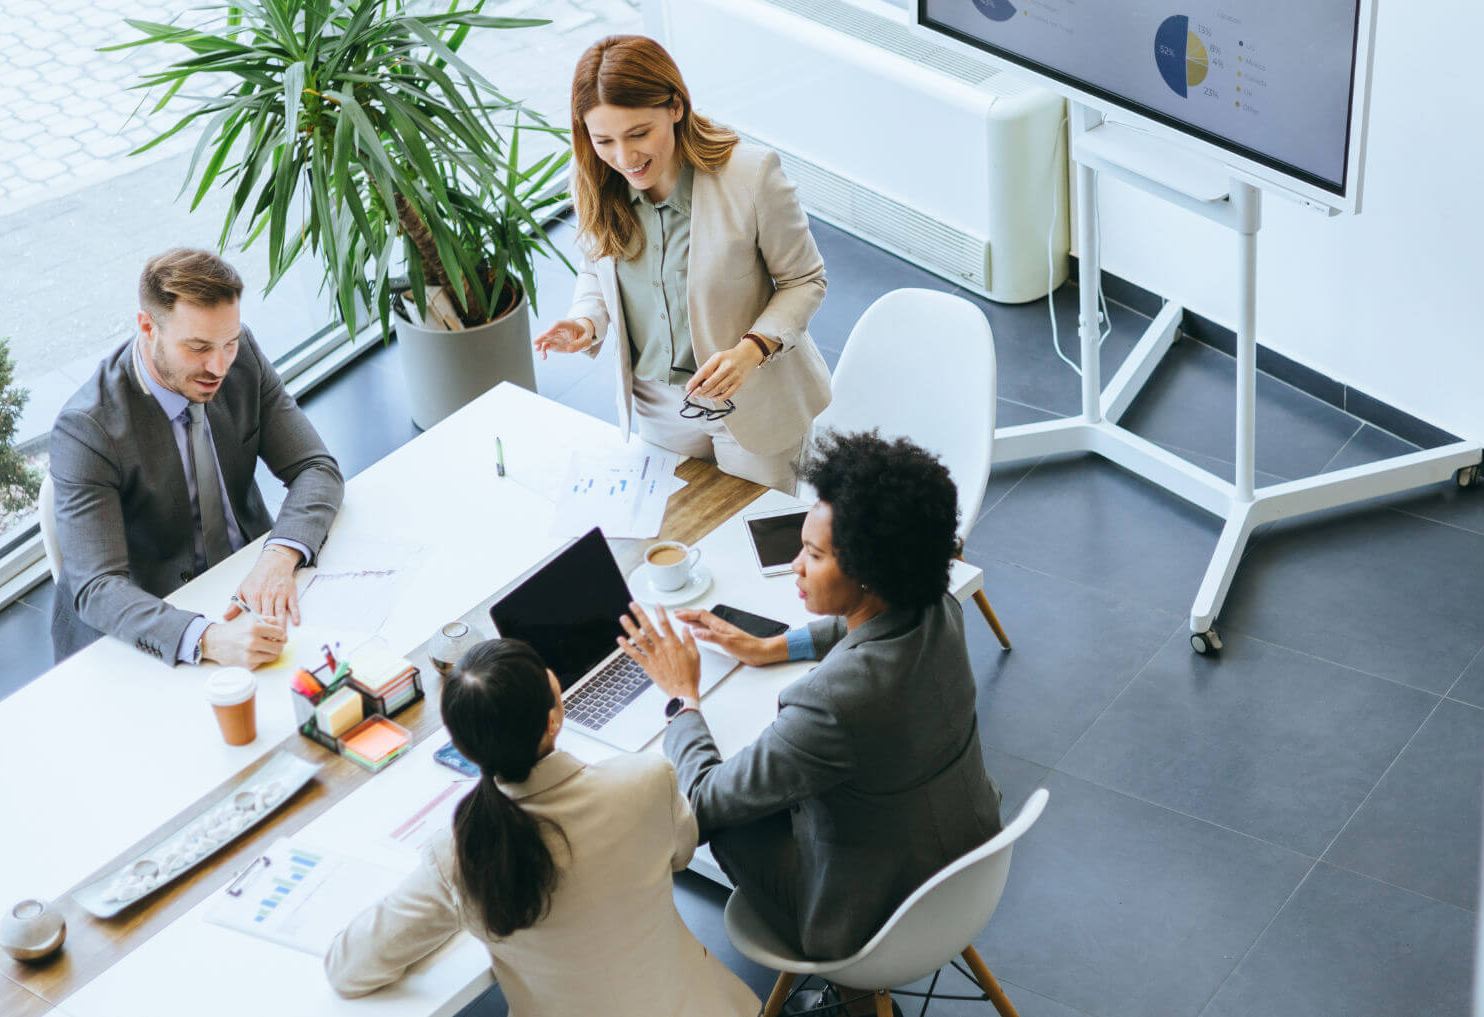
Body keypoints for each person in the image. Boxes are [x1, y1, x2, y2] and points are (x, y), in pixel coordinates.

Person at [621, 431, 1004, 973]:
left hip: (866, 918)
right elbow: (867, 631)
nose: (796, 566)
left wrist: (682, 696)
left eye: (814, 554)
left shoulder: (831, 704)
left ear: (870, 572)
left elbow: (705, 802)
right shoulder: (939, 606)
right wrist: (770, 647)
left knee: (709, 808)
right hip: (965, 859)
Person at [325, 638, 758, 1017]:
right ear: (554, 719)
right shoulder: (645, 778)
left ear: (461, 746)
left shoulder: (463, 851)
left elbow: (348, 970)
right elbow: (681, 853)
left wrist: (462, 913)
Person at [533, 35, 832, 491]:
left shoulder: (751, 176)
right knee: (681, 530)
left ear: (676, 106)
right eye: (604, 140)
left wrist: (751, 350)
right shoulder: (593, 177)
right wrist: (586, 321)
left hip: (751, 400)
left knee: (756, 542)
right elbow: (596, 267)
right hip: (656, 405)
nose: (624, 157)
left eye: (638, 134)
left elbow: (805, 279)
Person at [48, 248, 343, 666]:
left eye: (229, 343)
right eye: (198, 347)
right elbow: (96, 587)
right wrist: (207, 639)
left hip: (249, 582)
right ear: (148, 327)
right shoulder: (87, 428)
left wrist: (278, 556)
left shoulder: (242, 359)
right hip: (149, 627)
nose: (219, 367)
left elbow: (317, 468)